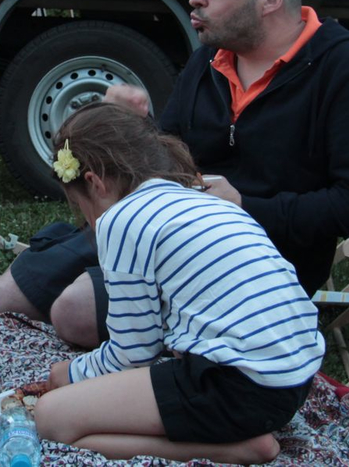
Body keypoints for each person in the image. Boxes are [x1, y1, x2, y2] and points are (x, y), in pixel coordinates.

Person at [0, 0, 349, 348]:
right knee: (9, 298)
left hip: (255, 262)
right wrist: (128, 126)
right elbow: (169, 160)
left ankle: (158, 364)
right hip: (165, 234)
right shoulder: (211, 59)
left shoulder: (348, 69)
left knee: (74, 312)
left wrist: (247, 206)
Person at [33, 103, 325, 463]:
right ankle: (228, 429)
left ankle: (236, 447)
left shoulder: (122, 219)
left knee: (51, 418)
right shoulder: (209, 202)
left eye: (81, 206)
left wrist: (72, 373)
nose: (88, 220)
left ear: (94, 182)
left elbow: (132, 354)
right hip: (294, 381)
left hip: (239, 387)